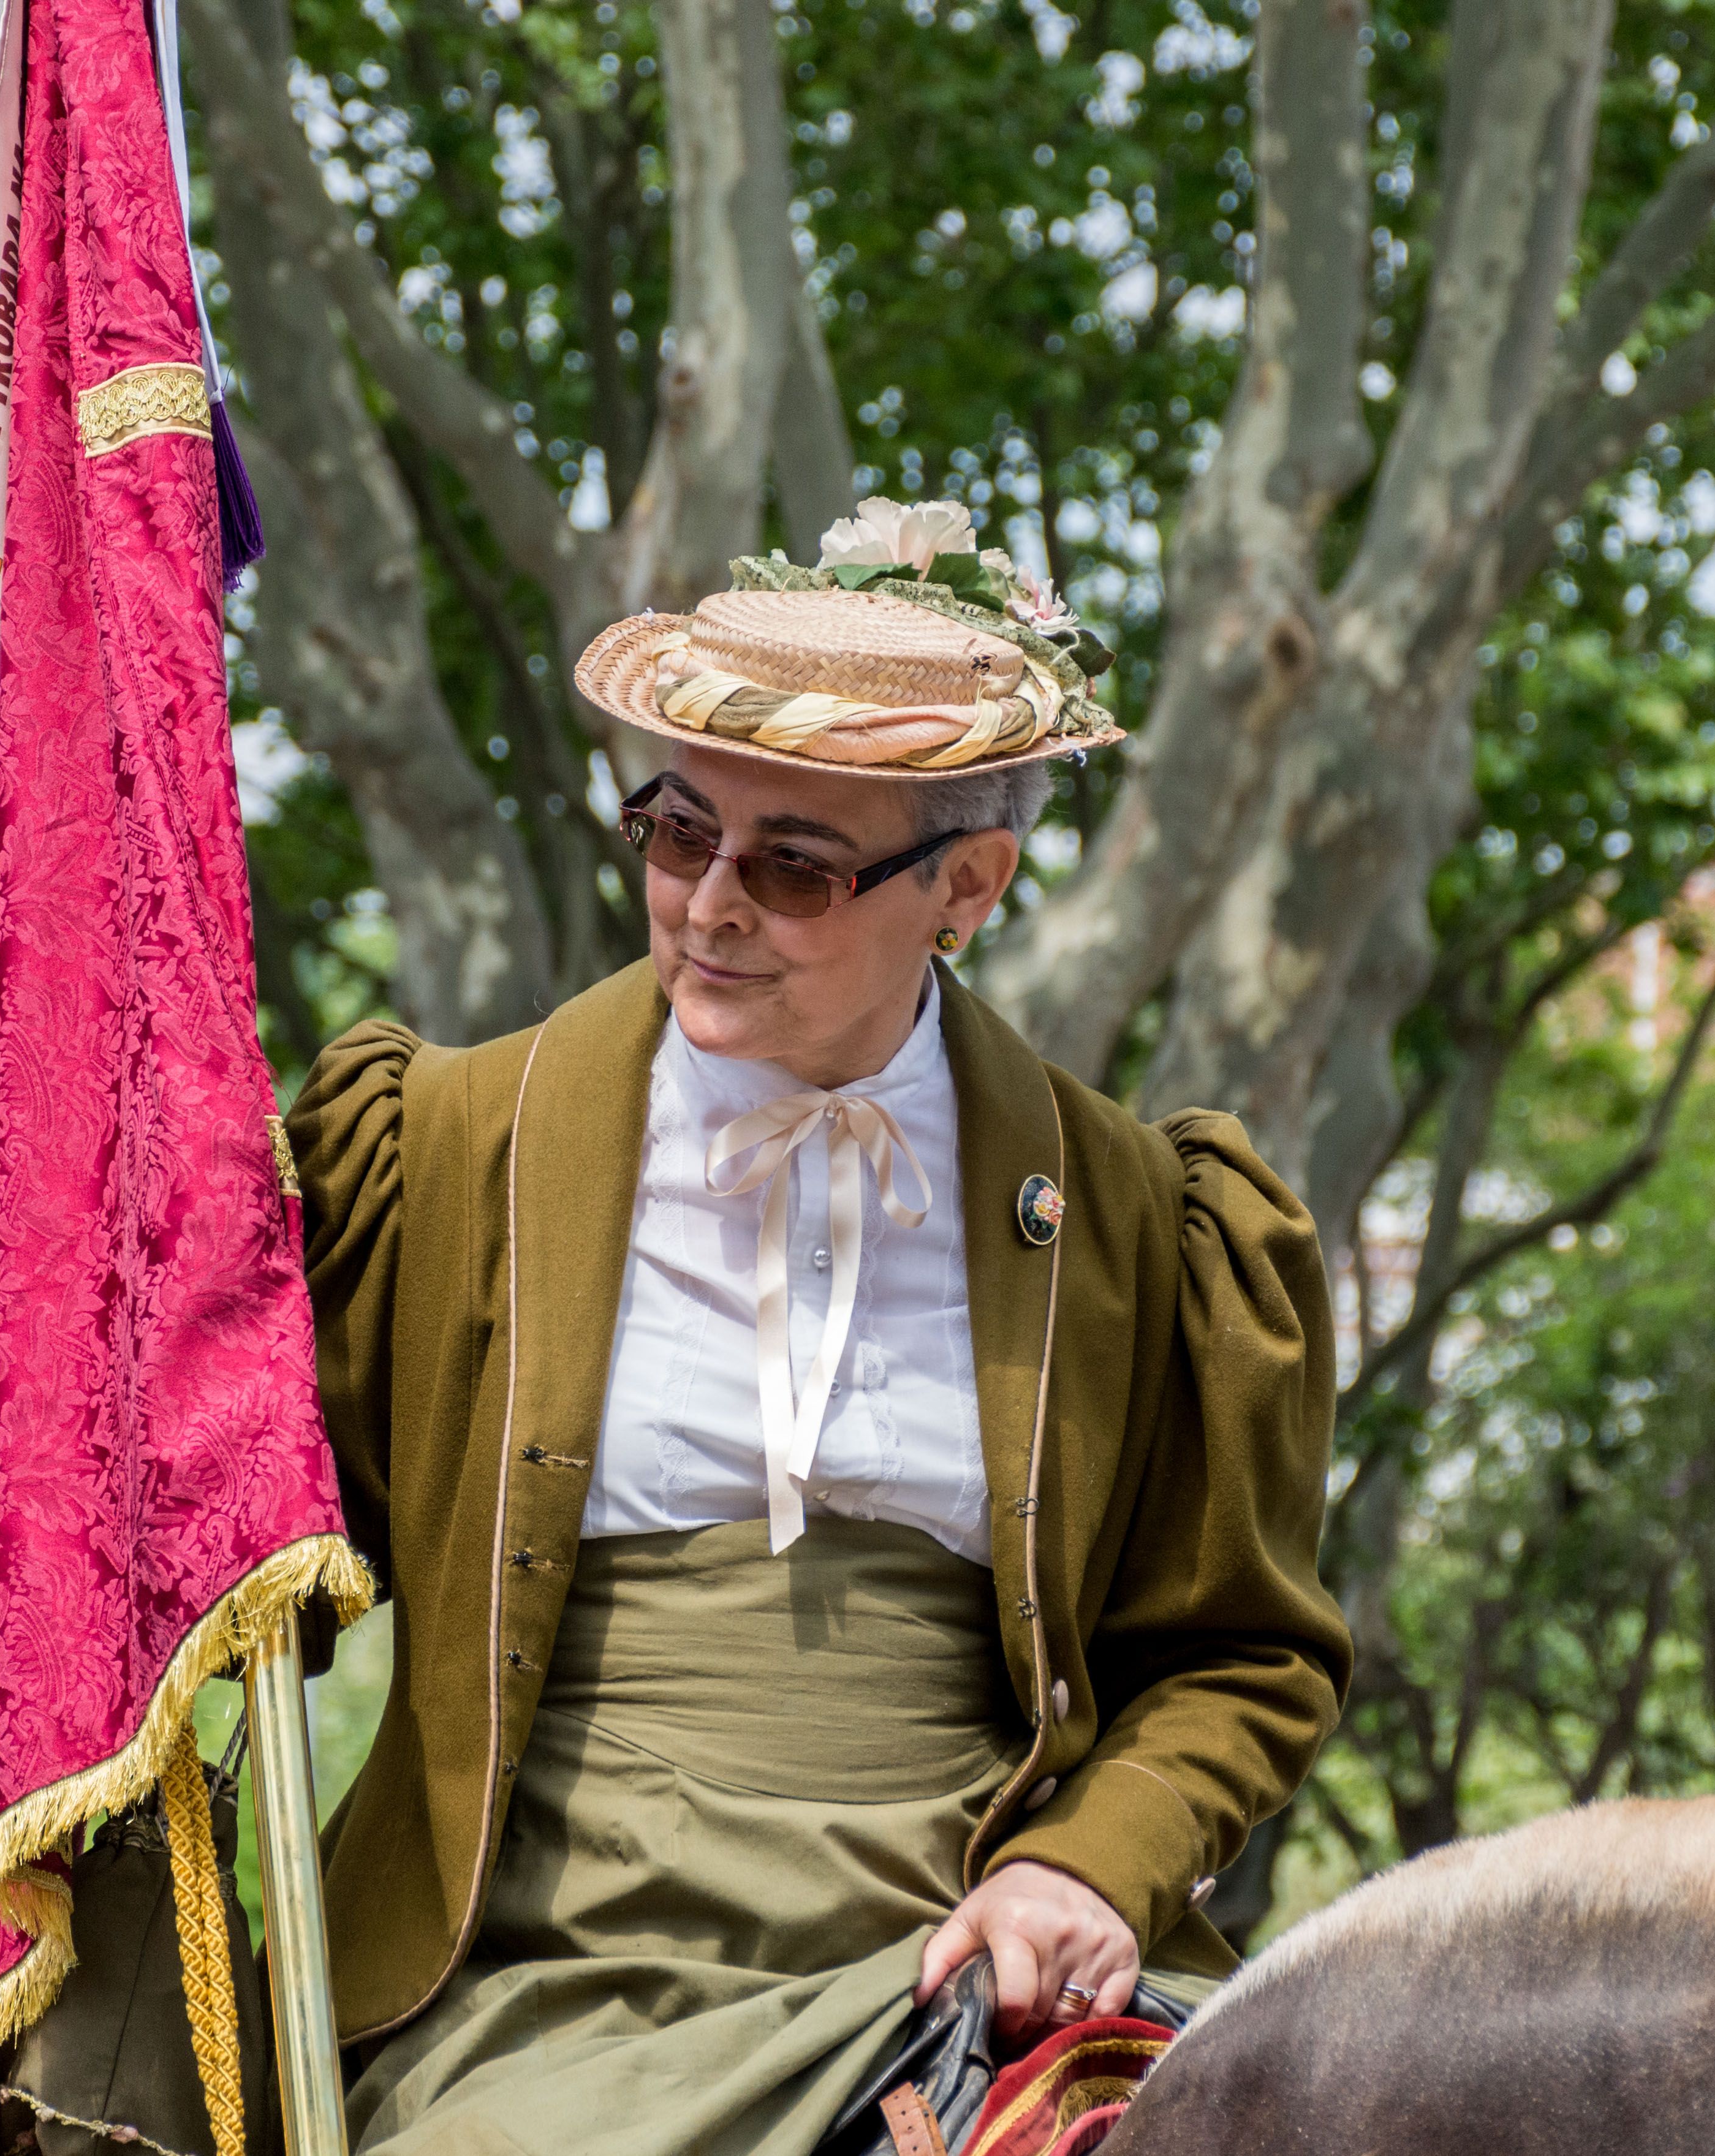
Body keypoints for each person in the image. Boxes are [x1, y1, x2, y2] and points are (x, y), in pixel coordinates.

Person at [286, 503, 1353, 2156]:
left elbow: (1238, 1656)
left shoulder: (1145, 1219)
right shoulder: (433, 1153)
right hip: (540, 1990)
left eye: (792, 866)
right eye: (674, 832)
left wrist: (1091, 1862)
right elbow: (223, 1543)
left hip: (961, 1978)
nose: (710, 906)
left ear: (969, 890)